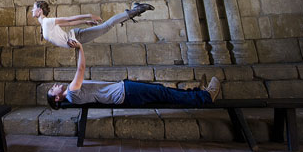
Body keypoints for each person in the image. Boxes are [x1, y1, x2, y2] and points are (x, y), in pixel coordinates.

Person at [46, 41, 221, 109]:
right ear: (57, 98)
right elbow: (81, 69)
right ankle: (206, 97)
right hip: (126, 93)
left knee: (163, 91)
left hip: (125, 90)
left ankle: (199, 93)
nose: (55, 86)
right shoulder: (71, 92)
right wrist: (80, 48)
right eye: (52, 90)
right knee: (163, 93)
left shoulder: (72, 93)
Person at [31, 0, 155, 49]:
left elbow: (69, 20)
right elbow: (70, 23)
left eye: (33, 8)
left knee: (107, 26)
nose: (32, 10)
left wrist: (89, 15)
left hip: (76, 37)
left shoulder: (47, 22)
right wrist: (85, 22)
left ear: (40, 10)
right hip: (75, 37)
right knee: (106, 26)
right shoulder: (45, 24)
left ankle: (136, 10)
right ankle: (130, 13)